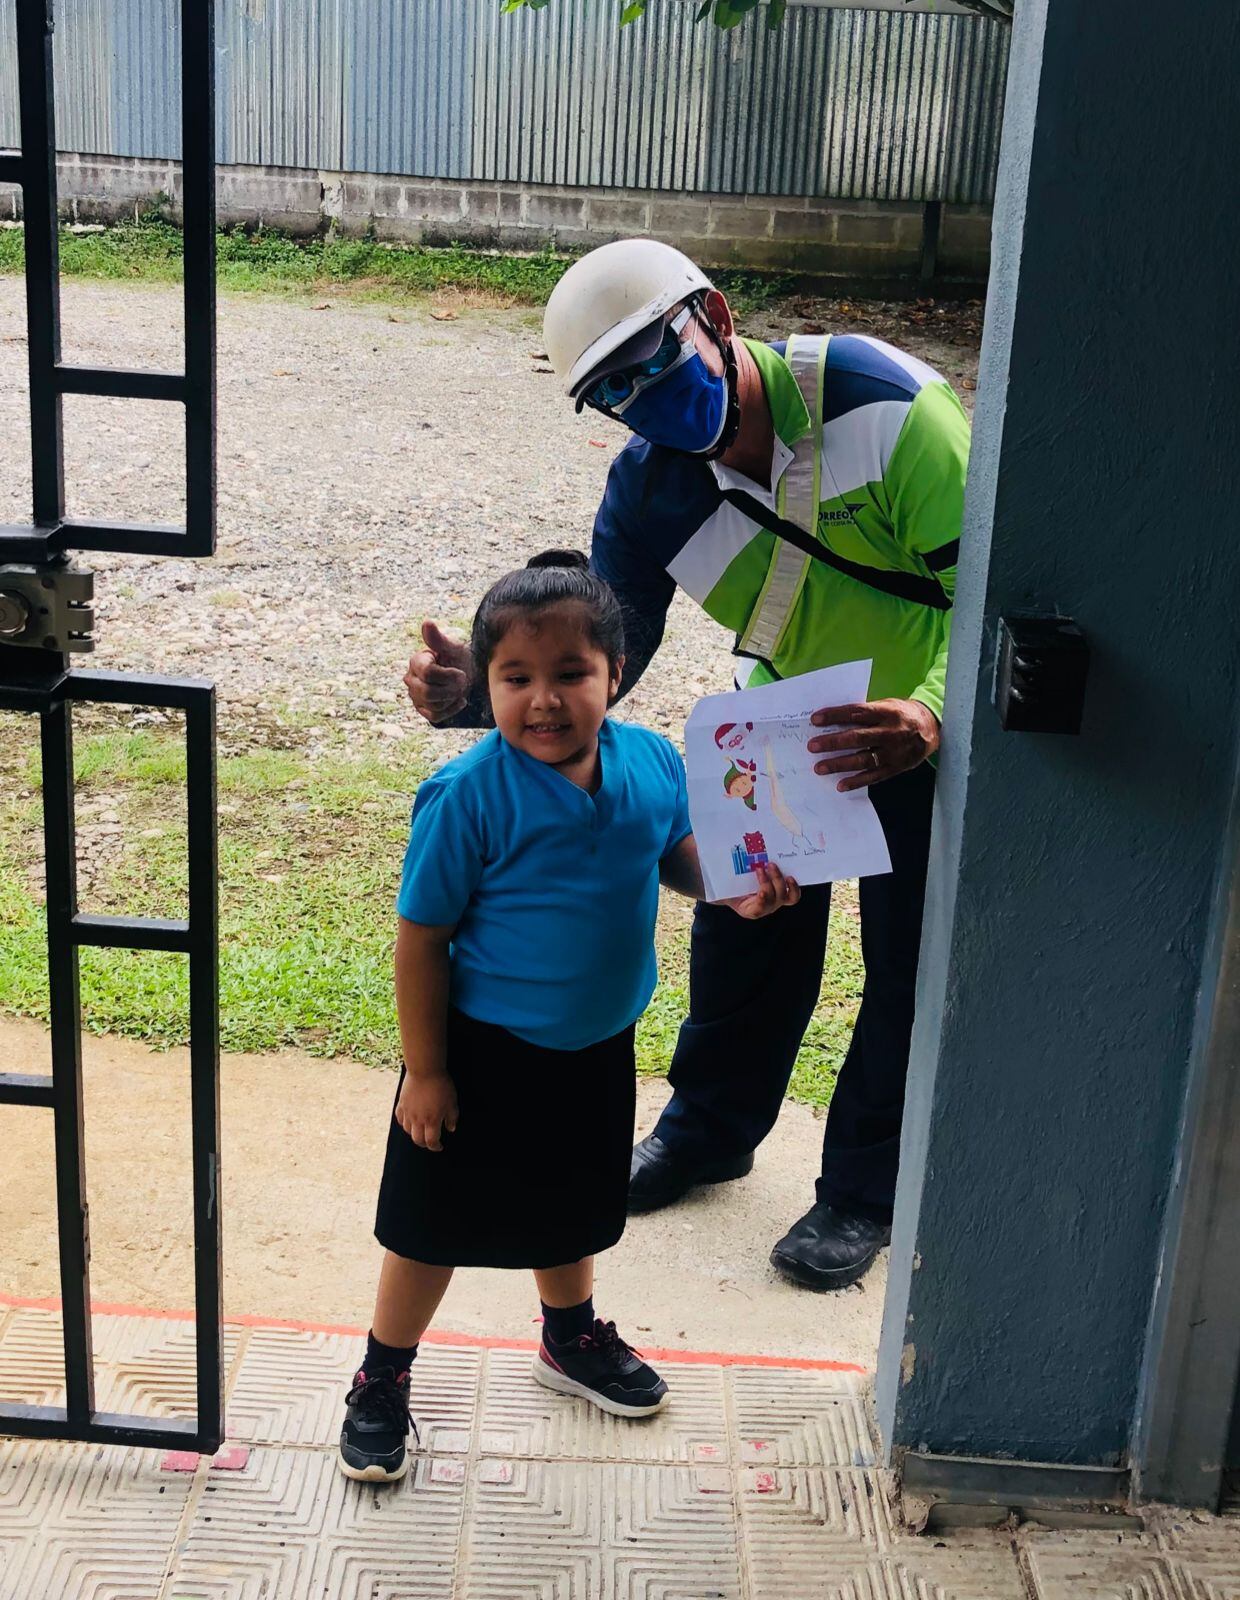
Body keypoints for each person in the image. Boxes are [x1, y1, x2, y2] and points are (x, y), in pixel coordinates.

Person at [403, 240, 970, 1295]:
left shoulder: (889, 411)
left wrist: (929, 716)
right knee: (744, 915)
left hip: (927, 722)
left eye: (651, 362)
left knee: (906, 960)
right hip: (787, 715)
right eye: (610, 392)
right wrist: (475, 698)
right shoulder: (651, 490)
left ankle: (860, 1190)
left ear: (711, 313)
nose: (642, 399)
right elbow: (602, 655)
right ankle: (708, 1130)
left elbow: (991, 590)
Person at [339, 551, 798, 1483]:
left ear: (614, 676)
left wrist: (734, 891)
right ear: (485, 685)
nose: (542, 701)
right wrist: (426, 1072)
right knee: (431, 1223)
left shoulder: (655, 761)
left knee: (575, 1204)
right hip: (478, 1051)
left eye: (569, 675)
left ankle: (568, 1336)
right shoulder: (466, 797)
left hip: (599, 1041)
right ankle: (382, 1374)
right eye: (515, 678)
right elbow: (421, 938)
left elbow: (673, 853)